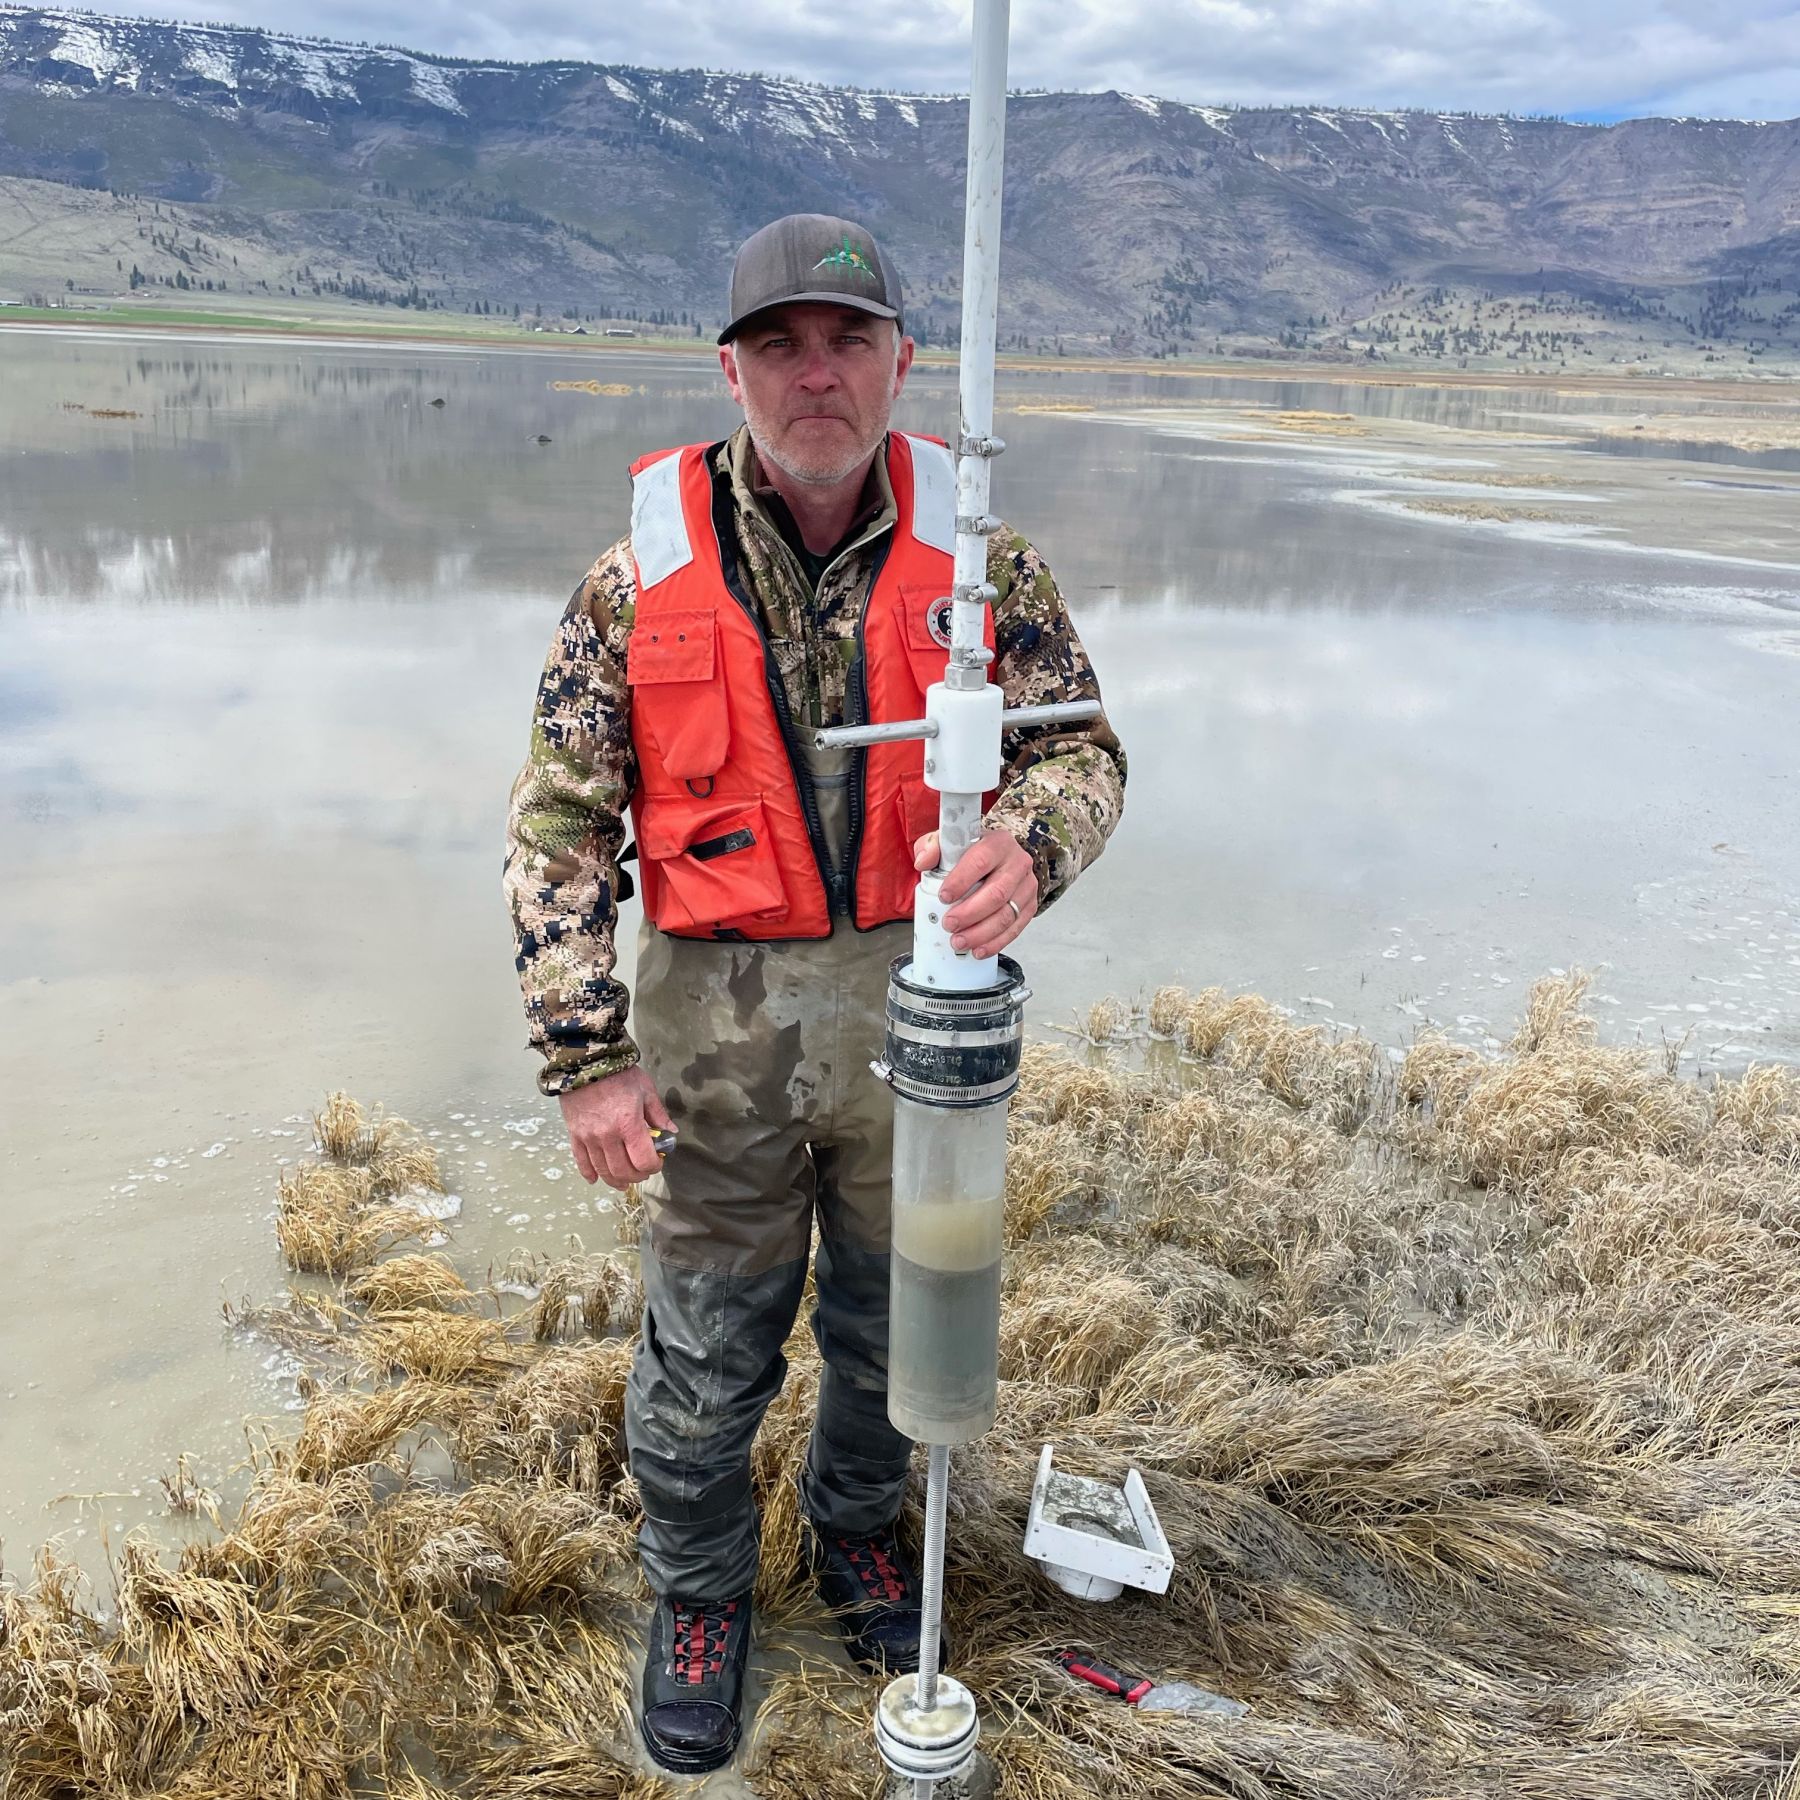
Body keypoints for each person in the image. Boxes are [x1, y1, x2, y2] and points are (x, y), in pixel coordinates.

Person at [504, 211, 1125, 1775]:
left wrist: (1035, 854)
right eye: (780, 344)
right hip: (717, 1026)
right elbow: (562, 828)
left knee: (890, 1317)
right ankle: (701, 1596)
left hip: (921, 1018)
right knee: (709, 1342)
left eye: (850, 340)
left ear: (904, 360)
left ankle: (858, 1539)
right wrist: (586, 1056)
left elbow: (1082, 748)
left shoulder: (986, 564)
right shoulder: (632, 581)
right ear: (732, 370)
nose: (818, 374)